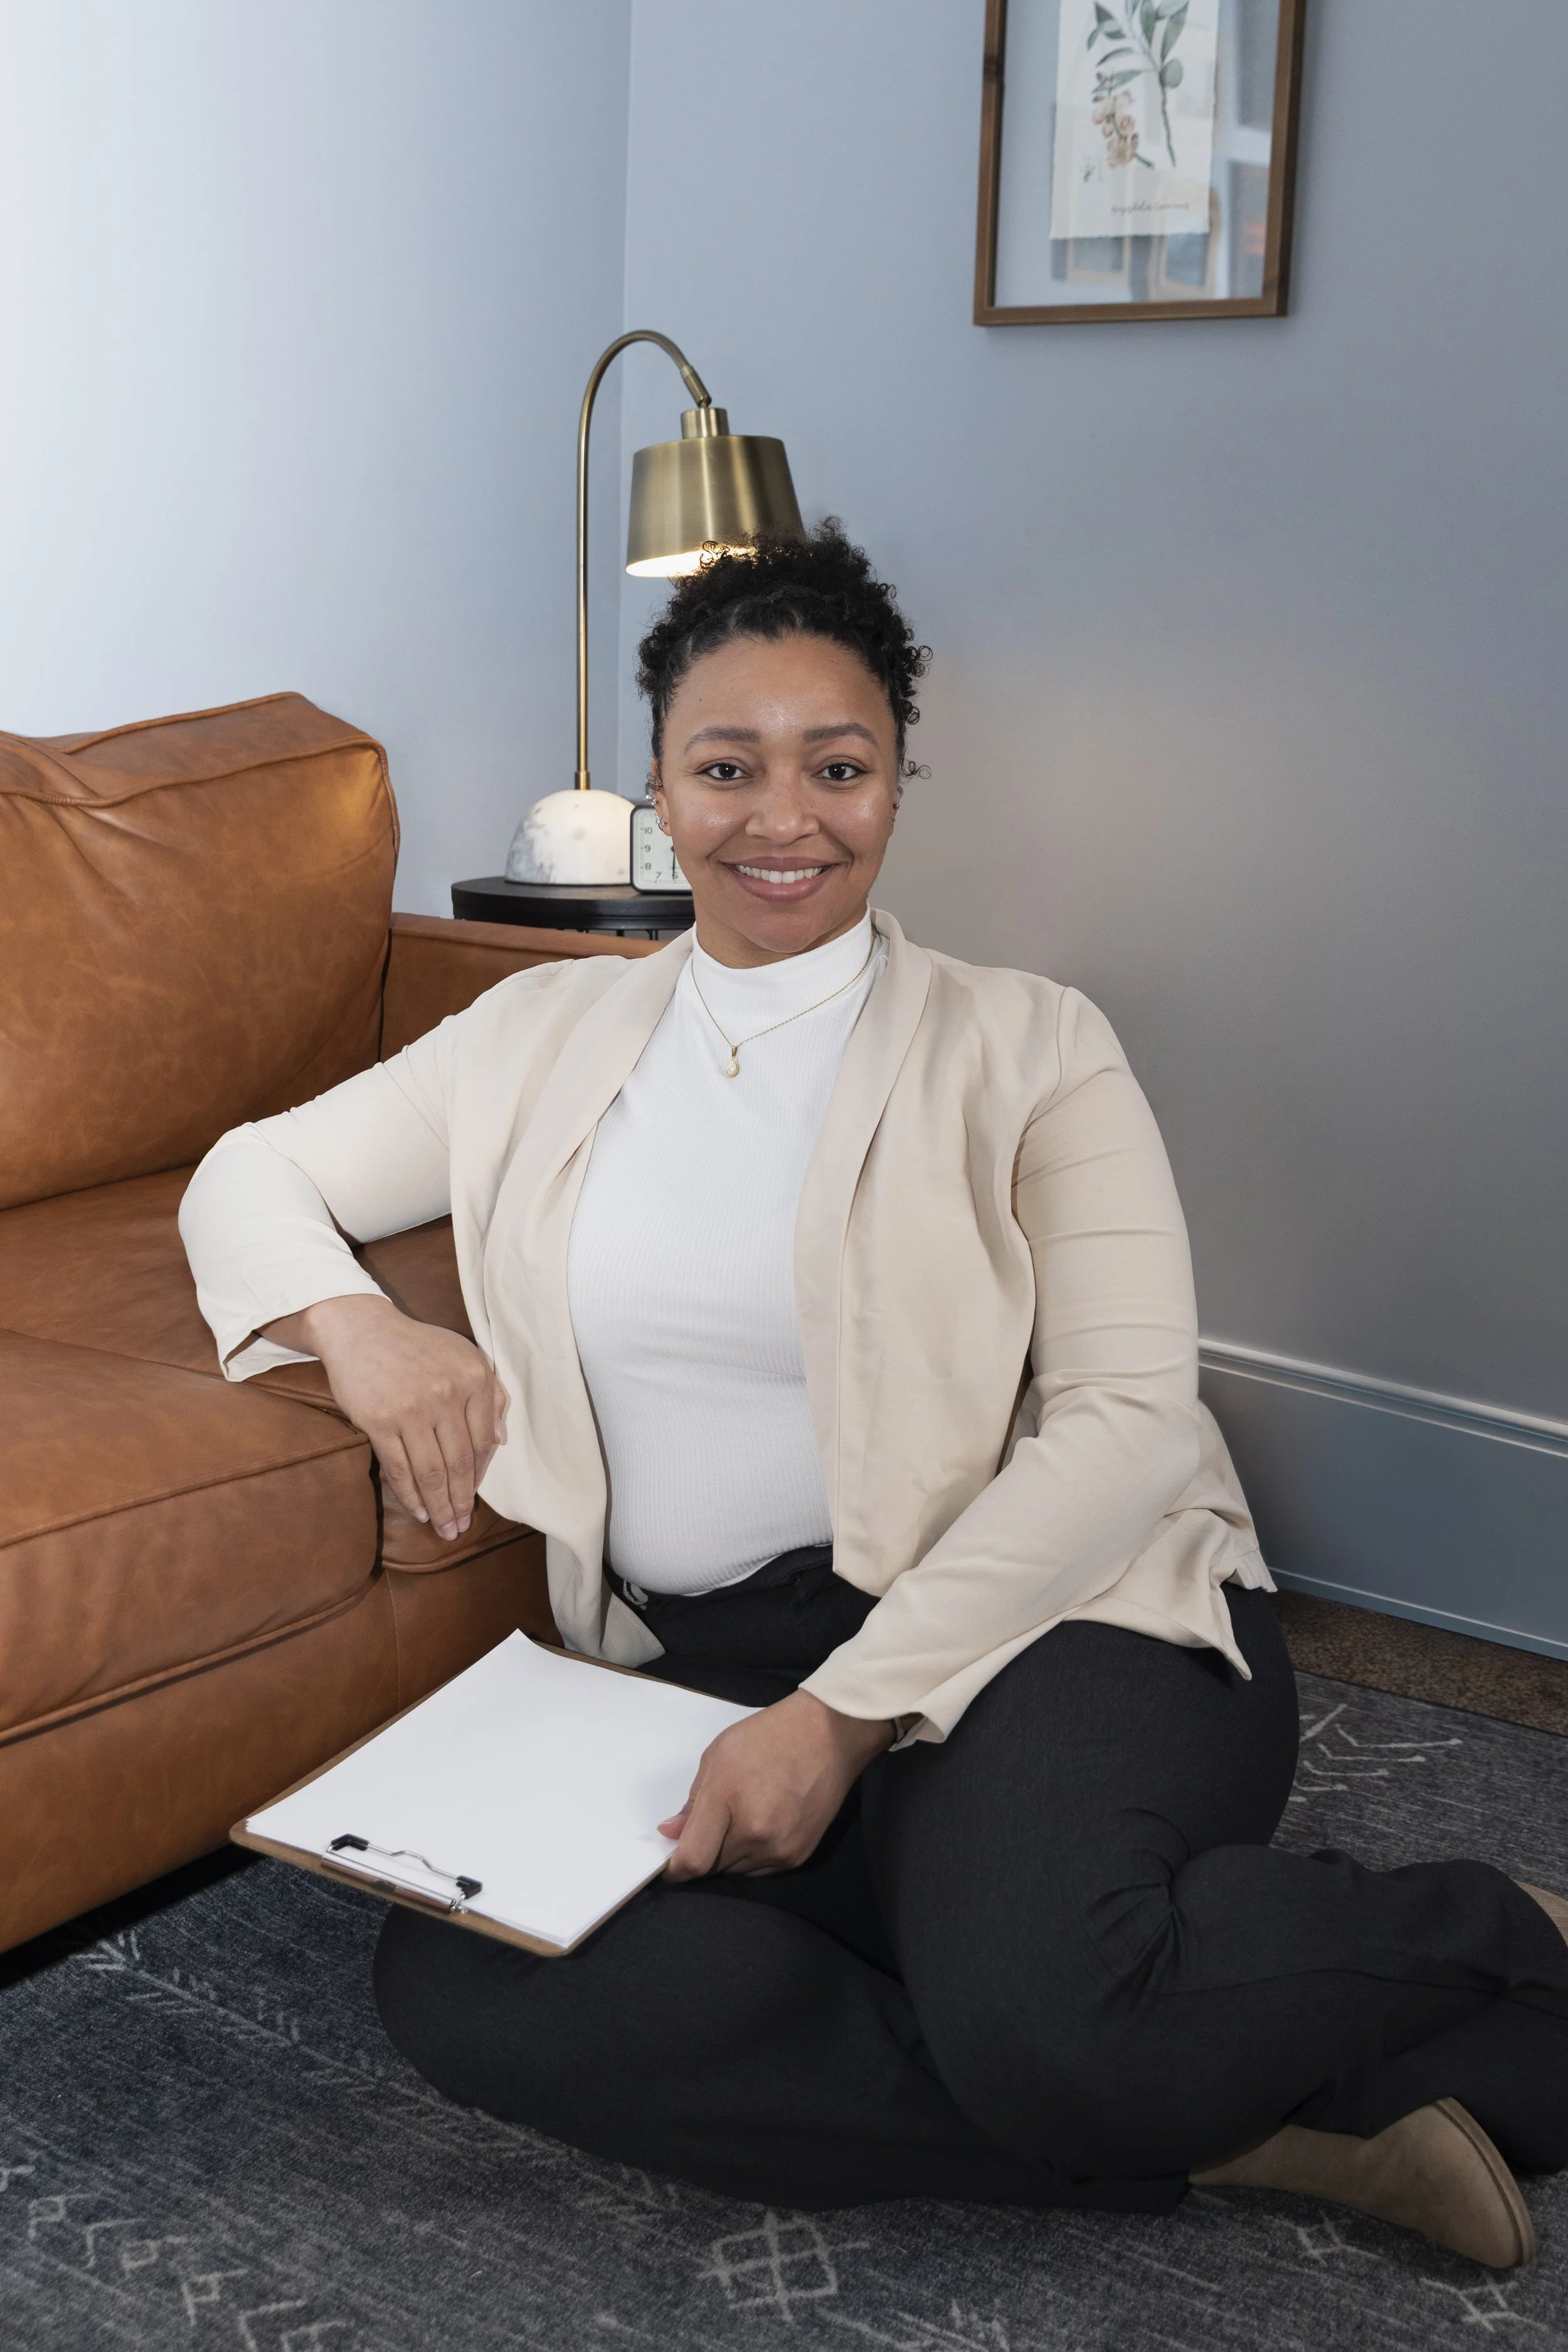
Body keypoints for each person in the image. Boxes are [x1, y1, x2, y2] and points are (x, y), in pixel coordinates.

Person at [181, 523, 1568, 2266]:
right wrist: (361, 1330)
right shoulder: (532, 1037)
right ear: (660, 786)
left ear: (898, 775)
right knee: (470, 1983)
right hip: (705, 1658)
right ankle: (1256, 2122)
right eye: (725, 766)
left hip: (1053, 1615)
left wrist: (839, 1721)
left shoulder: (1032, 1041)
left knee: (1046, 2017)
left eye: (835, 767)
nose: (782, 818)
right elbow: (245, 1173)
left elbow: (1130, 1423)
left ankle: (1476, 1939)